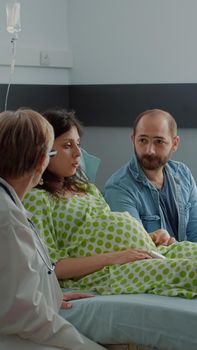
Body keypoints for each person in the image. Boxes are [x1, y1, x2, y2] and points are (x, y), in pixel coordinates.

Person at [23, 108, 197, 299]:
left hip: (144, 251)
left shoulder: (86, 188)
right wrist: (117, 257)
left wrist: (150, 236)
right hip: (110, 270)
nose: (78, 153)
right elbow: (49, 267)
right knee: (191, 270)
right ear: (44, 152)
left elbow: (104, 228)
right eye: (67, 145)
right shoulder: (37, 199)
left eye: (78, 144)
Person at [0, 109, 107, 350]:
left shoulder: (11, 206)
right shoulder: (7, 218)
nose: (78, 153)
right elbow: (23, 315)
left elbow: (16, 282)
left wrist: (50, 293)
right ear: (41, 162)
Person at [104, 109, 197, 243]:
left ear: (174, 143)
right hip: (152, 262)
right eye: (142, 140)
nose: (149, 150)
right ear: (133, 140)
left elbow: (195, 232)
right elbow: (138, 246)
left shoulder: (183, 174)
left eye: (159, 141)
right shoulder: (119, 187)